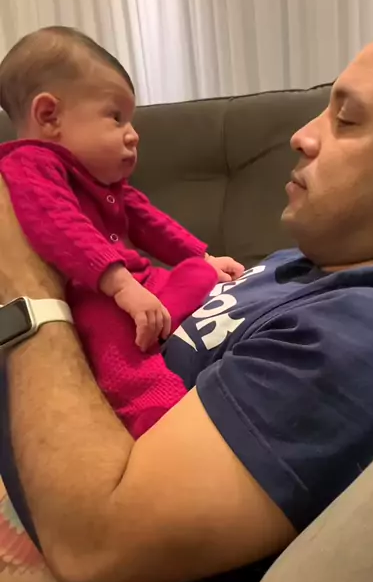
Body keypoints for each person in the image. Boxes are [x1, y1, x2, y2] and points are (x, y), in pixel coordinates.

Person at [1, 7, 373, 582]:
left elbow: (97, 544)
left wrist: (25, 283)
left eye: (346, 119)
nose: (302, 136)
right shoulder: (309, 263)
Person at [0, 27, 244, 438]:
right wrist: (120, 286)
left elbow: (151, 222)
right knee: (119, 347)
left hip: (136, 284)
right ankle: (155, 414)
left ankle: (162, 322)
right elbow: (62, 228)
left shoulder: (103, 181)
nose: (133, 134)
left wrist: (202, 257)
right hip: (90, 295)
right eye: (116, 117)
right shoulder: (28, 165)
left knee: (195, 274)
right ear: (49, 116)